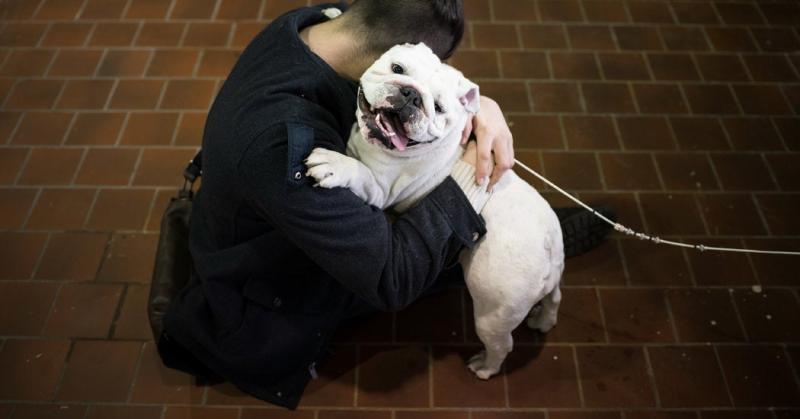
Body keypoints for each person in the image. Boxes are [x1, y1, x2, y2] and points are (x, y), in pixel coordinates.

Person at [157, 0, 613, 410]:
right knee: (425, 255)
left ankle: (521, 242)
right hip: (265, 298)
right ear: (388, 57)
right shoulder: (288, 150)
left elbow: (412, 75)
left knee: (472, 236)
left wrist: (480, 106)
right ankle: (496, 248)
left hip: (281, 216)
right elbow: (390, 279)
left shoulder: (324, 23)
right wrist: (469, 177)